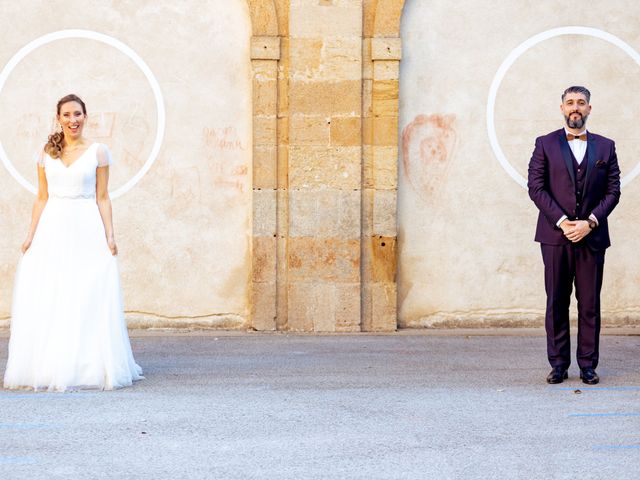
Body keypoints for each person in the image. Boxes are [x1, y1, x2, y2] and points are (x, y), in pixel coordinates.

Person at [3, 94, 144, 391]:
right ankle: (51, 364)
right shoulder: (45, 153)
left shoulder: (98, 152)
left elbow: (102, 197)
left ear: (85, 116)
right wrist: (30, 235)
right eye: (66, 115)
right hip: (53, 226)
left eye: (77, 114)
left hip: (86, 227)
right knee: (52, 292)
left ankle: (87, 365)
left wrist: (110, 235)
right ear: (58, 118)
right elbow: (41, 197)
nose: (73, 120)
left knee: (86, 292)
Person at [528, 86, 621, 385]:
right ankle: (558, 364)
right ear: (562, 108)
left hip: (592, 238)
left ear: (590, 109)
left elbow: (613, 191)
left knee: (590, 303)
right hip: (555, 237)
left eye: (581, 102)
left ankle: (588, 365)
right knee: (556, 301)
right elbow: (536, 187)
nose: (575, 108)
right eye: (570, 103)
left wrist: (590, 222)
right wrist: (563, 221)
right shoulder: (545, 143)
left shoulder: (606, 147)